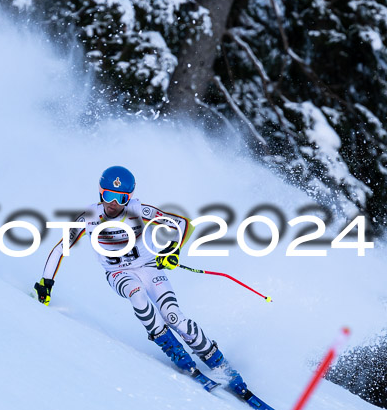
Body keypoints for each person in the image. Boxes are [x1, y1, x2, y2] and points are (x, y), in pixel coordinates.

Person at [34, 165, 248, 395]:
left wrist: (172, 250)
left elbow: (184, 224)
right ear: (100, 193)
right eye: (108, 195)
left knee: (174, 317)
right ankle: (175, 351)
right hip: (118, 274)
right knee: (136, 293)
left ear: (130, 197)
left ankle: (218, 362)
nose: (113, 203)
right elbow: (60, 249)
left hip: (148, 267)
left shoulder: (139, 211)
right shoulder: (88, 217)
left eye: (120, 198)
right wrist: (46, 283)